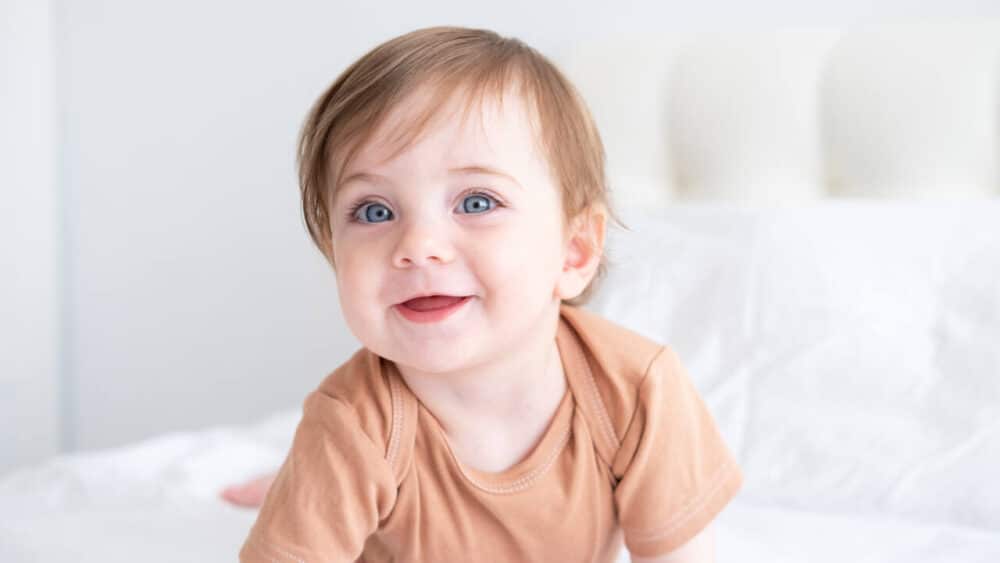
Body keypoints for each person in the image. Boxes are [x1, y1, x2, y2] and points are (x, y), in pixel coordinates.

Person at [233, 25, 743, 563]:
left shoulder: (637, 392)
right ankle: (294, 489)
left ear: (573, 252)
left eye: (476, 203)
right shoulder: (352, 426)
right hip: (347, 475)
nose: (418, 247)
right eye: (375, 211)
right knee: (321, 493)